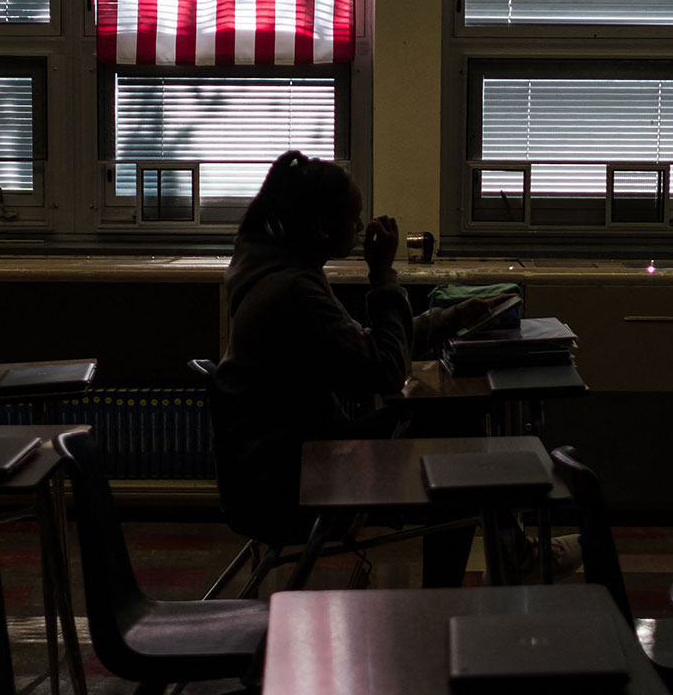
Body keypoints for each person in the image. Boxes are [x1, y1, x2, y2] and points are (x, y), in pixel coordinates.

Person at [210, 151, 572, 587]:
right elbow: (384, 370)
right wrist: (382, 273)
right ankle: (481, 579)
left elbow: (362, 346)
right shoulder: (294, 289)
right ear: (323, 225)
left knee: (454, 431)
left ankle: (514, 557)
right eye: (354, 218)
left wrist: (451, 318)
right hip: (297, 483)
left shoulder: (270, 271)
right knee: (460, 440)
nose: (361, 229)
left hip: (278, 466)